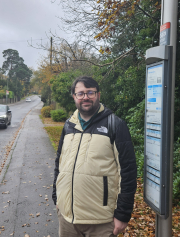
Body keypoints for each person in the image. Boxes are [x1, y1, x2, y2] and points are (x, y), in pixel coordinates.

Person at [52, 76, 137, 237]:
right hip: (67, 219)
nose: (85, 97)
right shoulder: (68, 125)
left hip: (101, 222)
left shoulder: (115, 125)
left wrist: (123, 215)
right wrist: (56, 197)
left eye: (90, 92)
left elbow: (128, 172)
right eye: (81, 93)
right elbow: (59, 162)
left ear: (98, 95)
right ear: (74, 97)